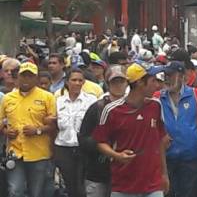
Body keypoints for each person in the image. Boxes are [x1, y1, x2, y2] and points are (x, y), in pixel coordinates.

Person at [93, 63, 170, 197]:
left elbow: (161, 142)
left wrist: (164, 174)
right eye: (153, 81)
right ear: (140, 83)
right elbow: (100, 142)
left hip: (153, 184)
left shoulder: (156, 106)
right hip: (123, 185)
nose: (157, 85)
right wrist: (117, 155)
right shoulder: (112, 110)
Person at [0, 61, 57, 197]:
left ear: (36, 78)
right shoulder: (7, 98)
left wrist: (37, 130)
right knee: (15, 190)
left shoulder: (47, 97)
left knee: (36, 192)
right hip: (15, 152)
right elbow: (1, 121)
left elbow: (54, 125)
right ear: (17, 77)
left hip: (39, 152)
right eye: (23, 76)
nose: (26, 79)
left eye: (30, 76)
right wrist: (6, 131)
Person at [157, 62, 197, 197]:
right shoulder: (157, 97)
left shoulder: (196, 95)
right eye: (165, 75)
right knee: (167, 192)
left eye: (171, 75)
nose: (167, 78)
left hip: (190, 157)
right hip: (166, 157)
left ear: (181, 76)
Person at [78, 65, 129, 197]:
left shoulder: (132, 107)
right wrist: (102, 143)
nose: (118, 85)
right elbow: (83, 139)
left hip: (125, 174)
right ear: (107, 83)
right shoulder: (96, 108)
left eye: (121, 81)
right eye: (114, 81)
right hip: (97, 172)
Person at [54, 68, 97, 197]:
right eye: (74, 80)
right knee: (70, 186)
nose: (77, 83)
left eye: (80, 80)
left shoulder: (91, 100)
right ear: (67, 82)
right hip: (63, 148)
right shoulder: (58, 101)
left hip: (83, 148)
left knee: (82, 186)